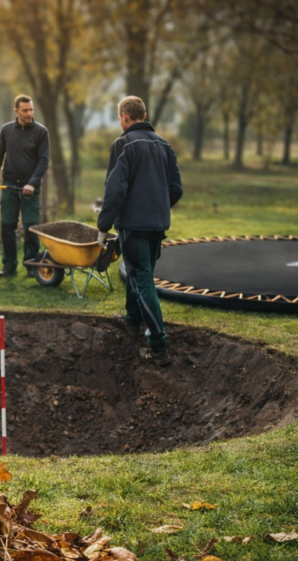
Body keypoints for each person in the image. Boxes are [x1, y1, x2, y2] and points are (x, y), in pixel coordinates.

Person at [97, 96, 183, 366]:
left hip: (133, 227)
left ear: (124, 116)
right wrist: (158, 208)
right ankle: (132, 321)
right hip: (157, 226)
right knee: (139, 275)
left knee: (142, 280)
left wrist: (103, 226)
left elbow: (115, 189)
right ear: (144, 115)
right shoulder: (165, 146)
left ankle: (158, 345)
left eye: (120, 118)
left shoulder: (123, 144)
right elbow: (176, 189)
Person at [0, 95, 50, 276]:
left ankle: (31, 266)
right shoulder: (6, 130)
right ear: (16, 111)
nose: (29, 113)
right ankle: (9, 265)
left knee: (31, 227)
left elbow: (43, 161)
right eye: (25, 110)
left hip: (31, 188)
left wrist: (32, 183)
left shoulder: (41, 132)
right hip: (9, 186)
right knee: (8, 226)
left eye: (31, 109)